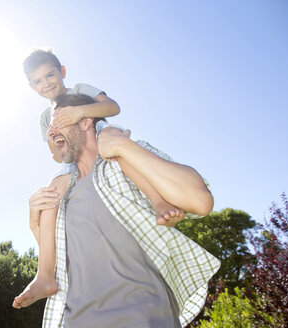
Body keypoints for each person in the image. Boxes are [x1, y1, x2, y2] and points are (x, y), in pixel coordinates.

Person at [13, 50, 185, 310]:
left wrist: (79, 112)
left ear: (63, 72)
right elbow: (57, 157)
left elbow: (112, 107)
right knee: (51, 192)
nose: (46, 83)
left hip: (99, 134)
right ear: (30, 86)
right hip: (74, 154)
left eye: (50, 75)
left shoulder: (80, 89)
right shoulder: (44, 118)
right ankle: (45, 274)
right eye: (37, 81)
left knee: (115, 147)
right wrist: (55, 137)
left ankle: (158, 201)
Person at [36, 94, 220, 327]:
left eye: (59, 122)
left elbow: (200, 201)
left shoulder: (127, 160)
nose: (50, 132)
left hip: (143, 316)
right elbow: (58, 265)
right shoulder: (61, 193)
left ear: (84, 121)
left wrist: (122, 145)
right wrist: (35, 222)